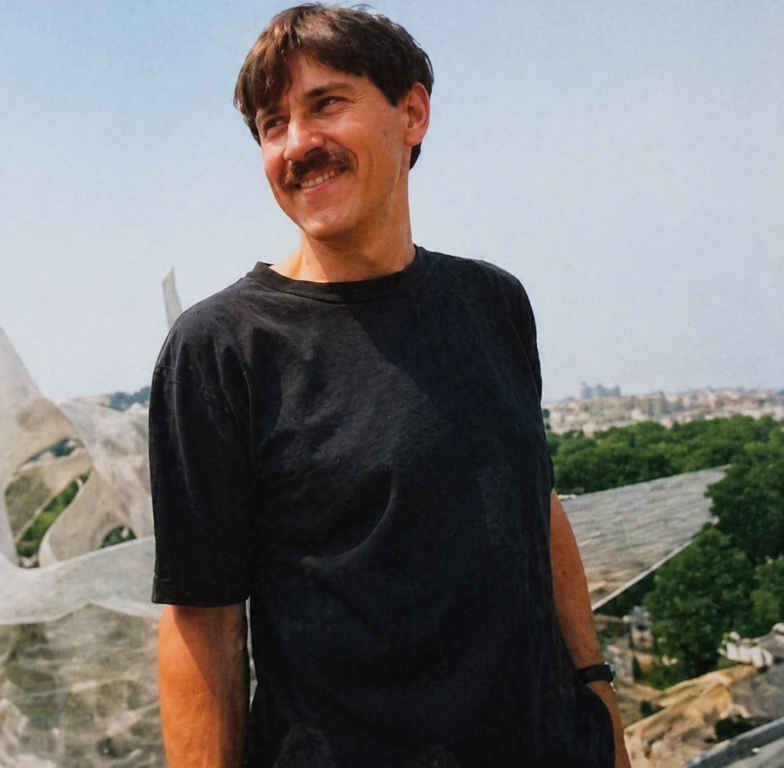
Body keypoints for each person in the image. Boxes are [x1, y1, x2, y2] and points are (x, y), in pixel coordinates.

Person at [148, 5, 630, 767]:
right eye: (272, 125)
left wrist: (596, 696)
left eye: (326, 104)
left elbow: (534, 506)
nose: (297, 145)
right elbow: (201, 619)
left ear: (412, 114)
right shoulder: (222, 348)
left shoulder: (494, 302)